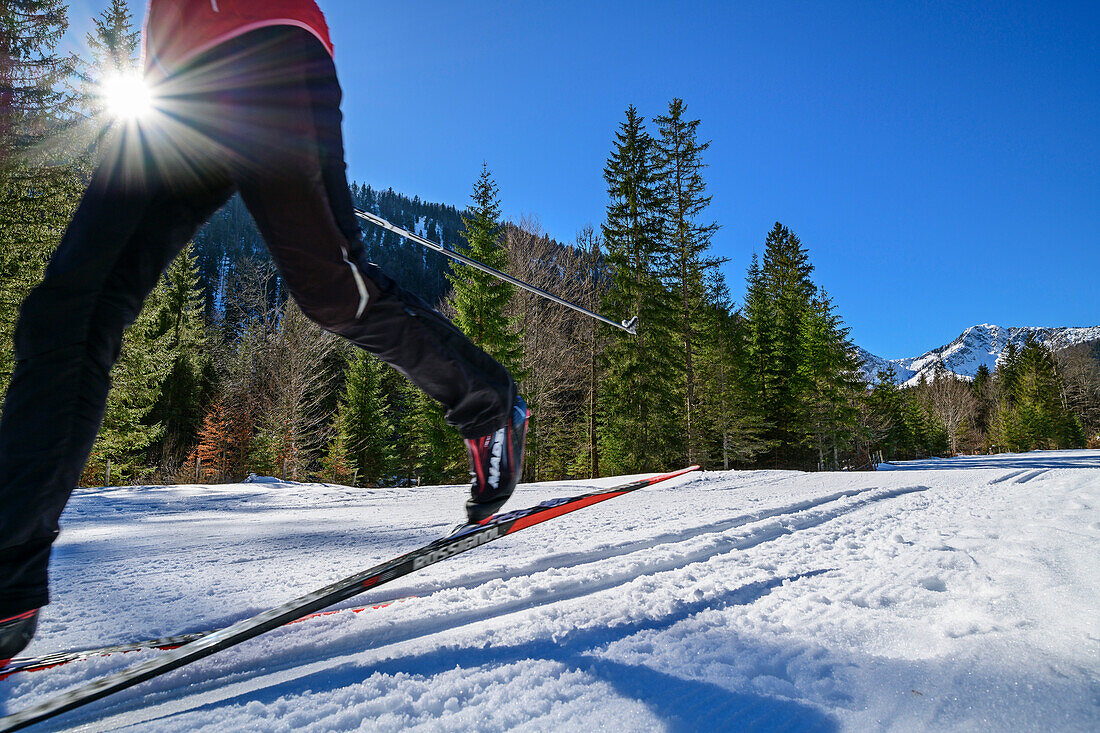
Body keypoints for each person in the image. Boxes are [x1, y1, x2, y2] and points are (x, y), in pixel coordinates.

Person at [0, 0, 528, 666]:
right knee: (68, 310)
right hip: (173, 89)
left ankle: (489, 402)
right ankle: (7, 582)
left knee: (335, 293)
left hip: (269, 45)